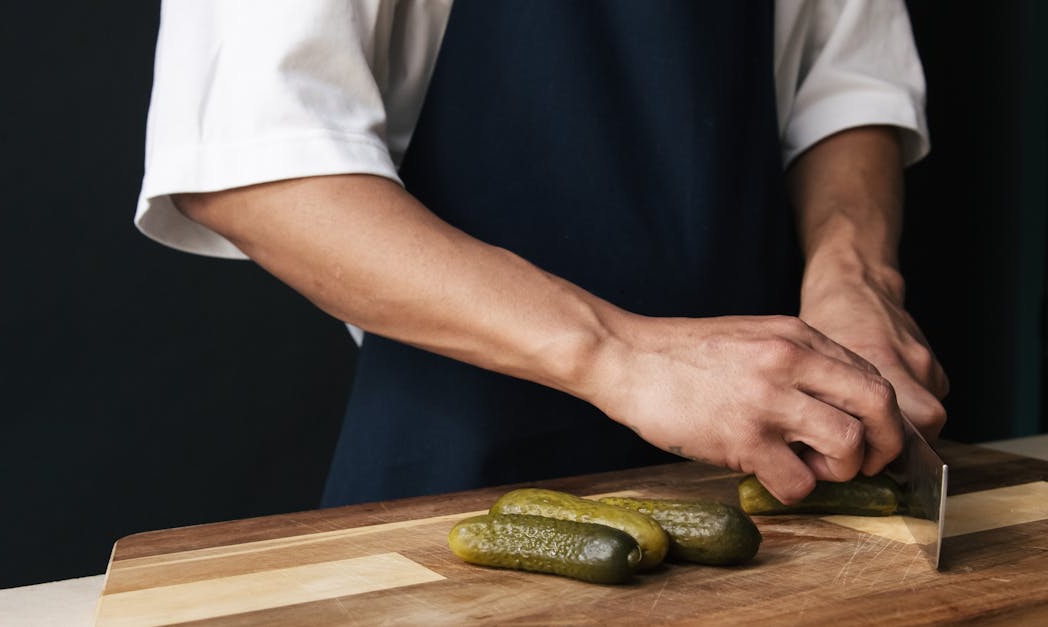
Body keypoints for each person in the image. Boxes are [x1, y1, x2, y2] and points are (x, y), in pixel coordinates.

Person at [134, 0, 949, 508]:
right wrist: (627, 355)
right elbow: (255, 168)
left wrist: (855, 278)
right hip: (458, 473)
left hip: (783, 462)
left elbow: (847, 84)